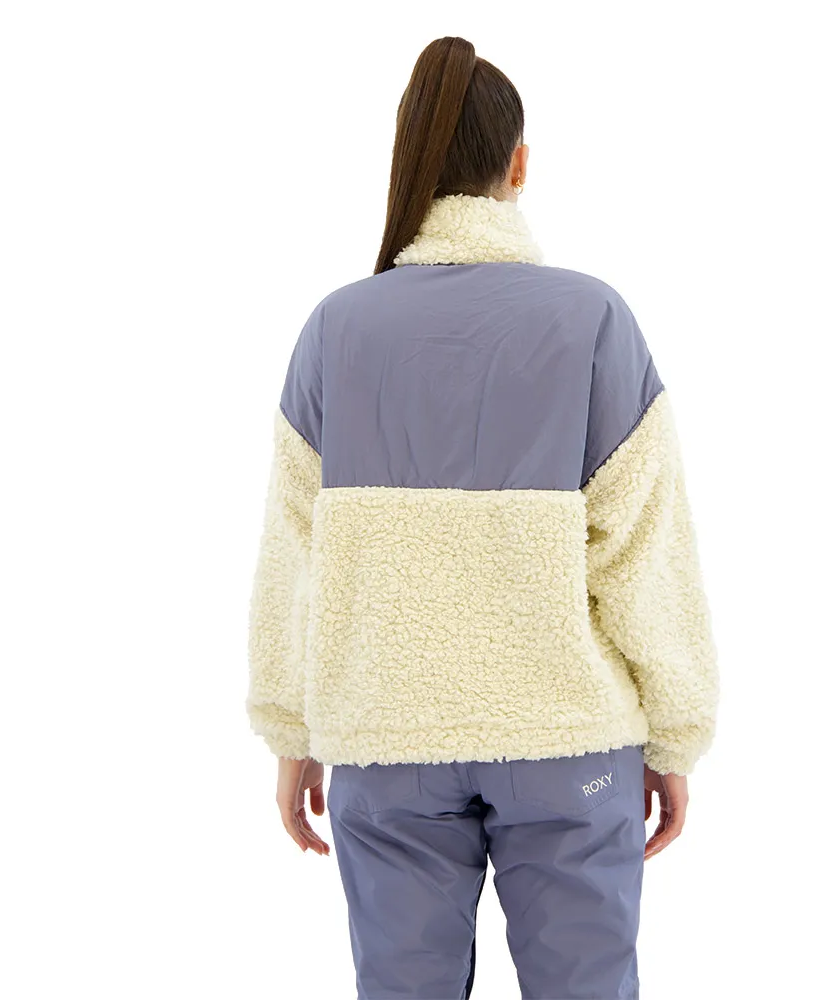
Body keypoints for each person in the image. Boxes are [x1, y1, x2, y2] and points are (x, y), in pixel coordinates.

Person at [246, 35, 719, 1000]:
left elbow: (294, 558)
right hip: (568, 738)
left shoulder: (336, 328)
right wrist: (676, 735)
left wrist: (291, 727)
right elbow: (644, 554)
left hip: (386, 737)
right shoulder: (593, 320)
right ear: (519, 164)